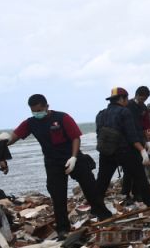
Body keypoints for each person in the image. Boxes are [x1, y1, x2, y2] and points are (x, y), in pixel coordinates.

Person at [8, 94, 113, 236]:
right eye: (34, 111)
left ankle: (104, 216)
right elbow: (13, 137)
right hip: (53, 163)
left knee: (91, 189)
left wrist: (74, 157)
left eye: (39, 110)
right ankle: (63, 229)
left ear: (46, 106)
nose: (37, 114)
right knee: (58, 196)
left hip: (73, 158)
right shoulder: (30, 123)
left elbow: (75, 138)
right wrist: (0, 144)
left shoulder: (62, 118)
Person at [94, 87, 150, 209]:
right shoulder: (124, 112)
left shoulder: (100, 114)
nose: (127, 101)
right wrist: (142, 149)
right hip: (125, 151)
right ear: (122, 99)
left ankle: (96, 208)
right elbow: (131, 135)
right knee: (140, 177)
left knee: (102, 181)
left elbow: (99, 134)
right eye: (126, 98)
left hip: (106, 151)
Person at [121, 86, 150, 205]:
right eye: (141, 98)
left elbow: (146, 126)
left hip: (140, 139)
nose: (142, 101)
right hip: (128, 141)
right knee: (128, 169)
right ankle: (125, 194)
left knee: (138, 167)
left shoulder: (143, 108)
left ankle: (137, 193)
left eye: (144, 99)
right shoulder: (127, 106)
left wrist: (147, 141)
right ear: (136, 95)